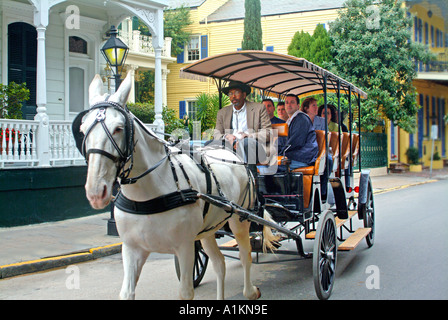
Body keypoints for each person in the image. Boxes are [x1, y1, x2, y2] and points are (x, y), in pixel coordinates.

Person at [213, 81, 272, 174]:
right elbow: (216, 133)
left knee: (247, 143)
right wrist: (226, 137)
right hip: (231, 146)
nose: (233, 96)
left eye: (236, 92)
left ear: (244, 95)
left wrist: (248, 136)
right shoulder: (222, 112)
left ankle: (252, 178)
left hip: (254, 146)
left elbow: (268, 133)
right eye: (230, 93)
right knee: (208, 144)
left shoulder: (259, 108)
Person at [279, 94, 318, 171]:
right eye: (286, 102)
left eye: (292, 102)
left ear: (298, 106)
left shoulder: (301, 119)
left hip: (302, 157)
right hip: (294, 155)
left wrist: (280, 153)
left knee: (272, 167)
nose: (289, 105)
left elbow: (295, 142)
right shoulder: (290, 120)